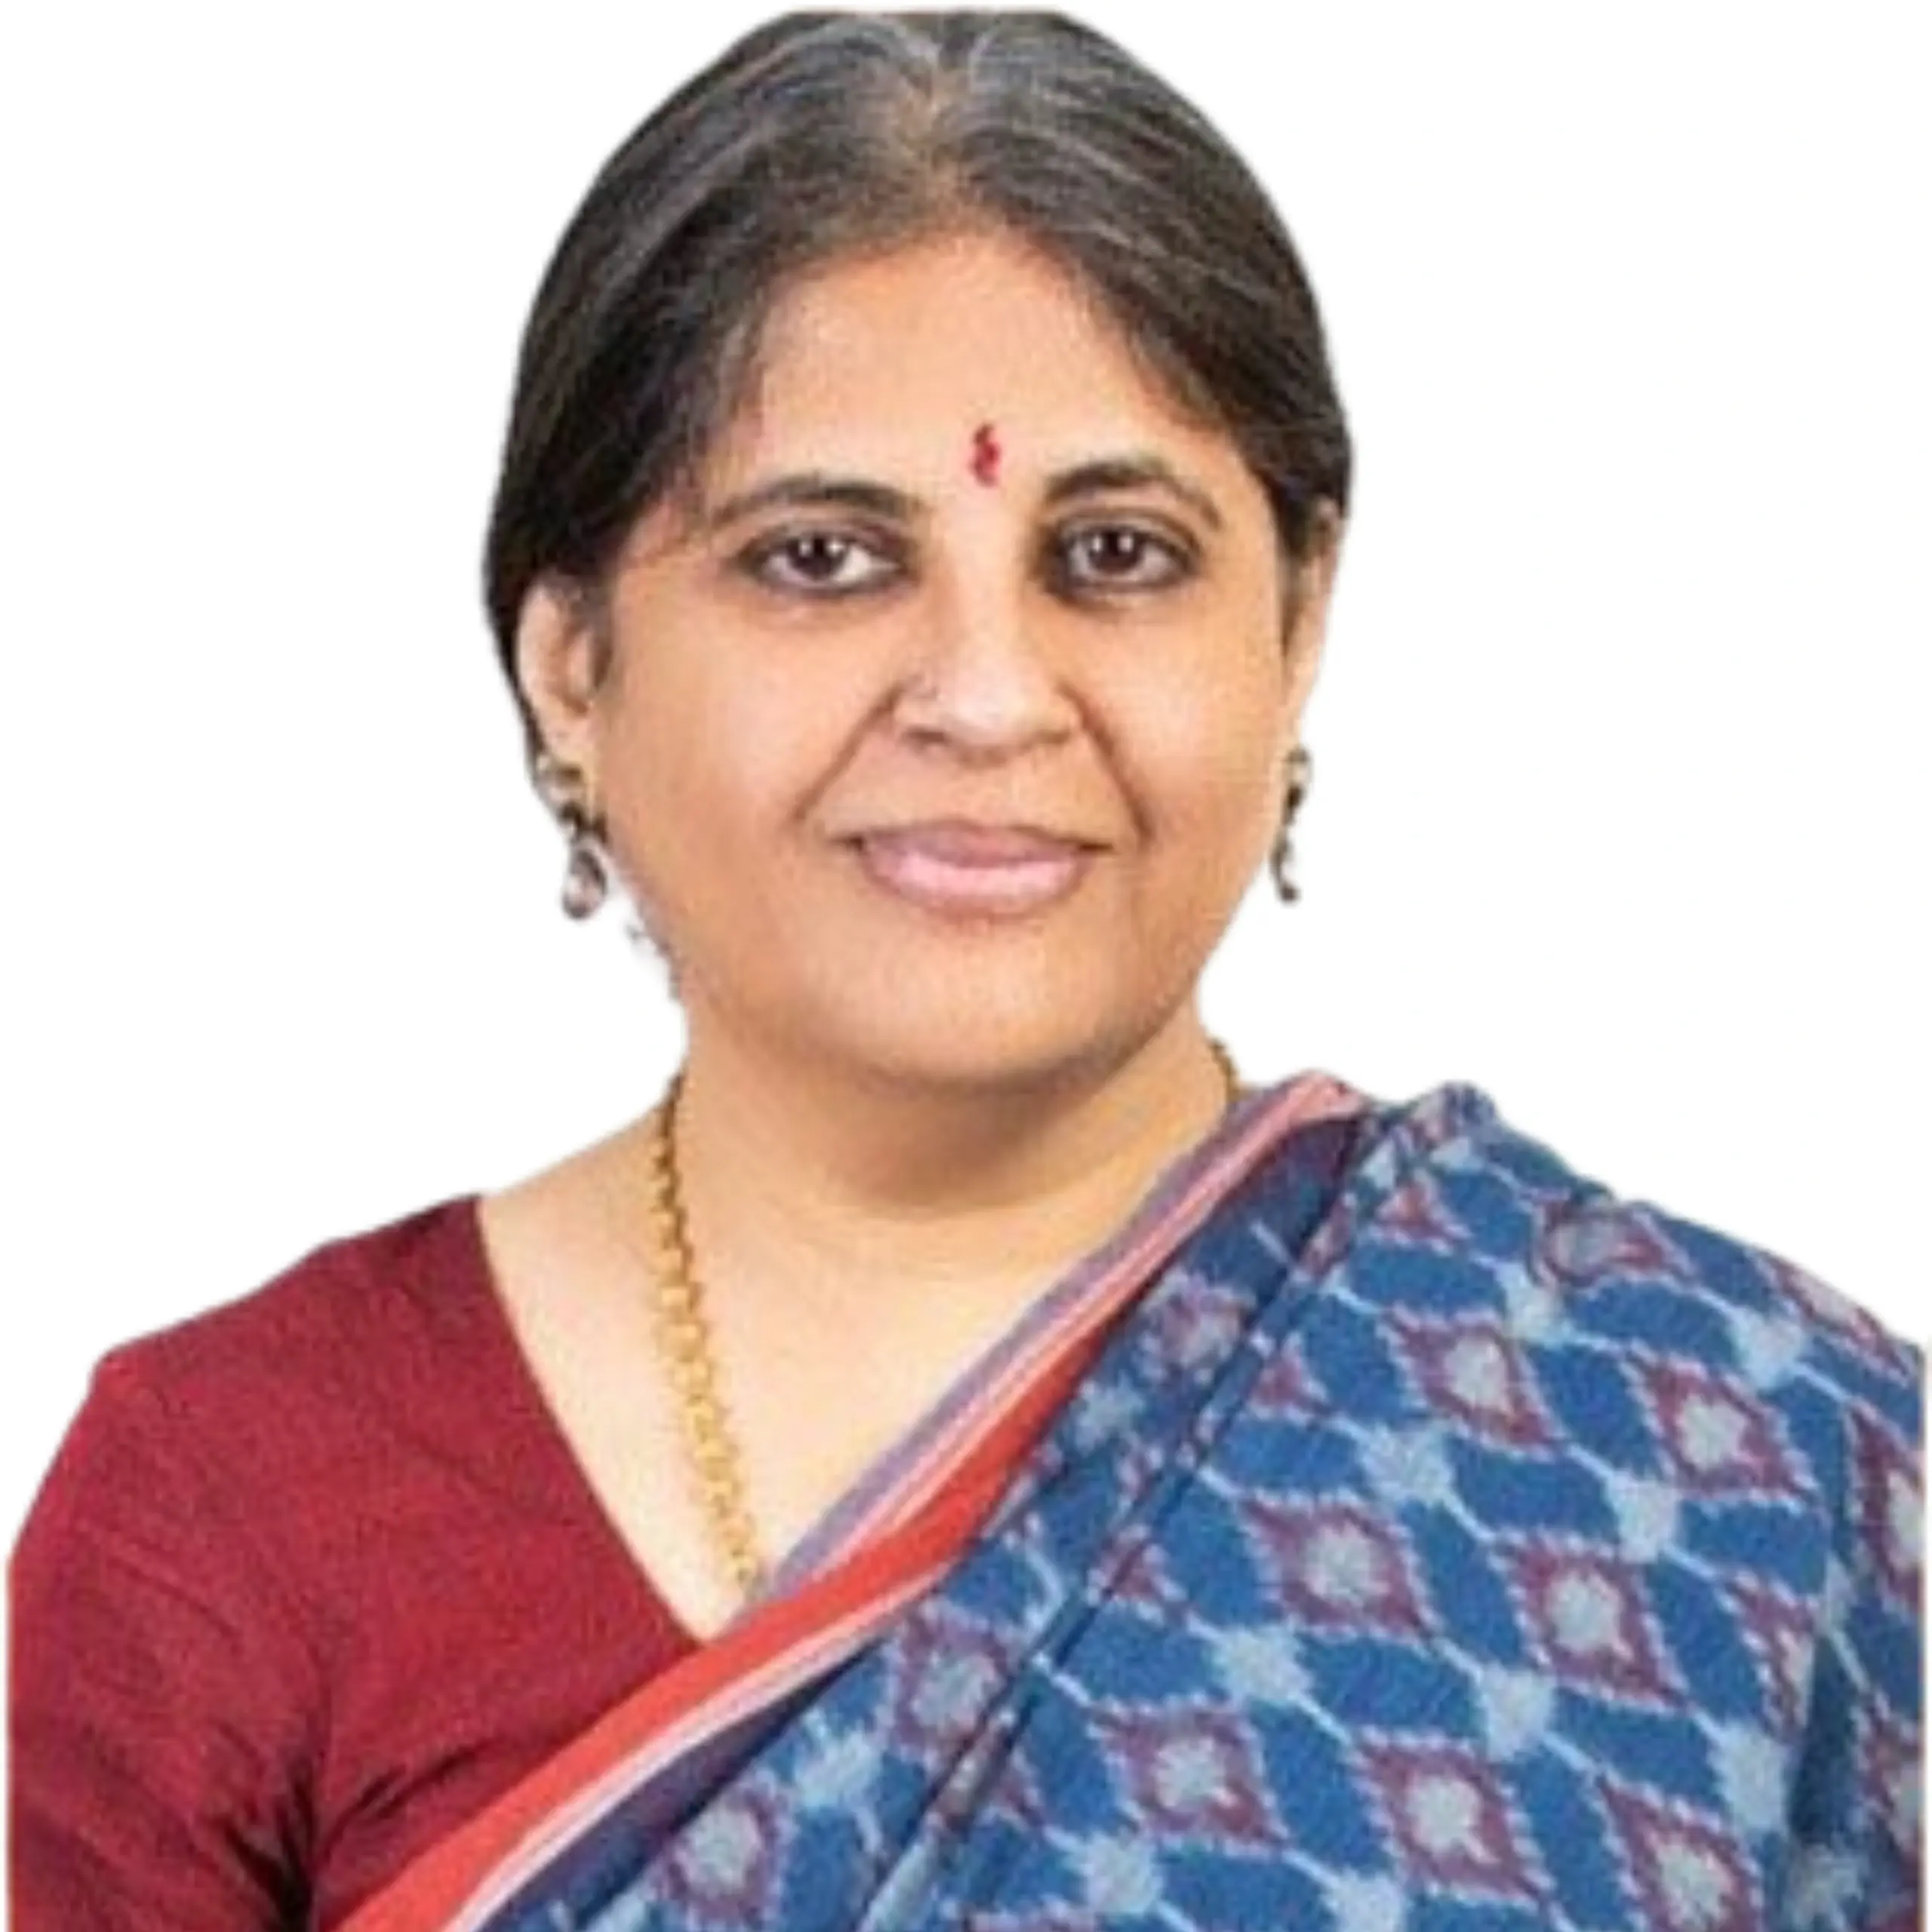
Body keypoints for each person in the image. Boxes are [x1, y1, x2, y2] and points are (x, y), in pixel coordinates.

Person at [9, 11, 1920, 1930]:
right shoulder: (232, 1502)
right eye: (822, 558)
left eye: (1116, 552)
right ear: (570, 665)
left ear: (1296, 621)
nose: (991, 695)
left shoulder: (1734, 1458)